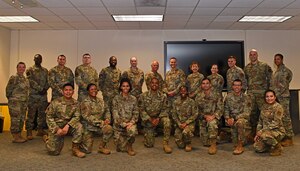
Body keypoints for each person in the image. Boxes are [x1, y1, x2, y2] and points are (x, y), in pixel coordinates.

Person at [43, 83, 86, 158]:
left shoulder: (76, 103)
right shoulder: (55, 102)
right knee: (53, 152)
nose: (68, 92)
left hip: (69, 126)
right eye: (66, 90)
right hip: (57, 126)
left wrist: (68, 126)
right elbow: (49, 116)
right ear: (63, 91)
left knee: (79, 126)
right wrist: (57, 129)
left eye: (70, 90)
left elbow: (77, 116)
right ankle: (47, 139)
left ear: (73, 92)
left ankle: (75, 148)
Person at [244, 49, 273, 139]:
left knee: (263, 113)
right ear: (249, 56)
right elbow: (245, 81)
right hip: (251, 94)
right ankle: (253, 133)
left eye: (254, 54)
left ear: (257, 55)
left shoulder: (264, 66)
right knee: (252, 114)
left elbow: (271, 78)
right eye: (251, 54)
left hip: (262, 94)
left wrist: (269, 92)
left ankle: (265, 133)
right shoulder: (247, 68)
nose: (252, 56)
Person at [139, 77, 172, 153]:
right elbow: (141, 110)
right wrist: (151, 119)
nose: (154, 84)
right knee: (149, 145)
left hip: (159, 119)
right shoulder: (143, 96)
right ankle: (147, 136)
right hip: (148, 120)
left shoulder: (162, 96)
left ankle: (165, 143)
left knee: (167, 121)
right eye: (152, 83)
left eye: (156, 83)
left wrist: (158, 118)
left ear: (159, 85)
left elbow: (165, 109)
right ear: (150, 84)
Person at [80, 83, 113, 155]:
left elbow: (107, 110)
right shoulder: (85, 102)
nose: (94, 91)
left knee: (109, 128)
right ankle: (80, 144)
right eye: (91, 89)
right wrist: (101, 122)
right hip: (88, 126)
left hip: (99, 125)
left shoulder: (101, 101)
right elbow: (87, 117)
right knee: (87, 150)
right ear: (88, 91)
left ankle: (102, 147)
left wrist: (107, 119)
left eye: (95, 89)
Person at [270, 53, 294, 146]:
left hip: (282, 97)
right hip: (277, 98)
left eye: (278, 59)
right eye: (275, 59)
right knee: (279, 117)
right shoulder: (277, 71)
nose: (276, 61)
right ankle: (283, 136)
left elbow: (284, 86)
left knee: (285, 117)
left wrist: (275, 96)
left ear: (282, 60)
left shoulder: (285, 71)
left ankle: (289, 137)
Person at [195, 78, 223, 155]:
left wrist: (213, 116)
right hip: (203, 119)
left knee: (212, 123)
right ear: (201, 85)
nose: (205, 85)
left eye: (207, 83)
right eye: (203, 83)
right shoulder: (198, 96)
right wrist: (204, 116)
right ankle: (220, 136)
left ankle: (213, 145)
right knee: (205, 142)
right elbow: (196, 110)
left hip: (214, 118)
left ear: (210, 84)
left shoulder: (217, 94)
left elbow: (220, 108)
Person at [224, 79, 252, 155]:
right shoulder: (228, 97)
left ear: (241, 86)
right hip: (231, 120)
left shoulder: (246, 97)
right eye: (235, 85)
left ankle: (240, 146)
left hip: (242, 120)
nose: (237, 87)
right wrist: (227, 118)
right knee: (234, 141)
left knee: (240, 123)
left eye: (238, 85)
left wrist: (235, 118)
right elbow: (226, 109)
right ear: (232, 86)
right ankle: (239, 139)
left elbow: (247, 113)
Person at [253, 90, 285, 156]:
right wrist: (257, 132)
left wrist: (262, 131)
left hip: (277, 131)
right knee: (257, 147)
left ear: (275, 97)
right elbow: (260, 122)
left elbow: (276, 123)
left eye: (271, 96)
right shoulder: (264, 107)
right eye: (267, 96)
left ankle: (277, 147)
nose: (269, 98)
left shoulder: (278, 107)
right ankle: (271, 144)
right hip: (265, 131)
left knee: (264, 136)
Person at [112, 78, 139, 156]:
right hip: (119, 126)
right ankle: (123, 143)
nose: (125, 88)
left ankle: (130, 146)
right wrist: (124, 124)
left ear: (130, 87)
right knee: (120, 149)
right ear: (120, 87)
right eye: (123, 86)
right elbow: (115, 115)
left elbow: (136, 113)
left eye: (127, 86)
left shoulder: (133, 99)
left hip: (130, 125)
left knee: (132, 131)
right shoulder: (116, 99)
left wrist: (131, 123)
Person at [26, 54, 49, 139]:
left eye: (39, 59)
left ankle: (40, 130)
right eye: (36, 58)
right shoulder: (30, 70)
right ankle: (29, 131)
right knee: (31, 114)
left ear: (41, 60)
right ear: (33, 59)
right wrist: (40, 89)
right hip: (33, 96)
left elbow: (48, 81)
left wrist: (45, 89)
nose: (38, 60)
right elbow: (30, 81)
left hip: (43, 96)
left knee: (42, 114)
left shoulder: (45, 70)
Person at [6, 62, 30, 143]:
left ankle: (19, 134)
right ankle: (15, 136)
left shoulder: (25, 79)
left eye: (23, 67)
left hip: (23, 103)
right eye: (20, 67)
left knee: (21, 119)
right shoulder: (14, 78)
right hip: (15, 103)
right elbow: (8, 90)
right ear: (17, 68)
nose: (21, 69)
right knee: (15, 119)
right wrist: (13, 99)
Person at [172, 86, 198, 152]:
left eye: (184, 91)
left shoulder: (192, 102)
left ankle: (188, 143)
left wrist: (186, 123)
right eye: (181, 91)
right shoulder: (175, 102)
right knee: (180, 145)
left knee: (186, 132)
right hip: (180, 124)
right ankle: (183, 140)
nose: (183, 92)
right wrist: (179, 123)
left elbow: (195, 114)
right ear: (179, 92)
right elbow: (174, 115)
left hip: (189, 124)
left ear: (187, 92)